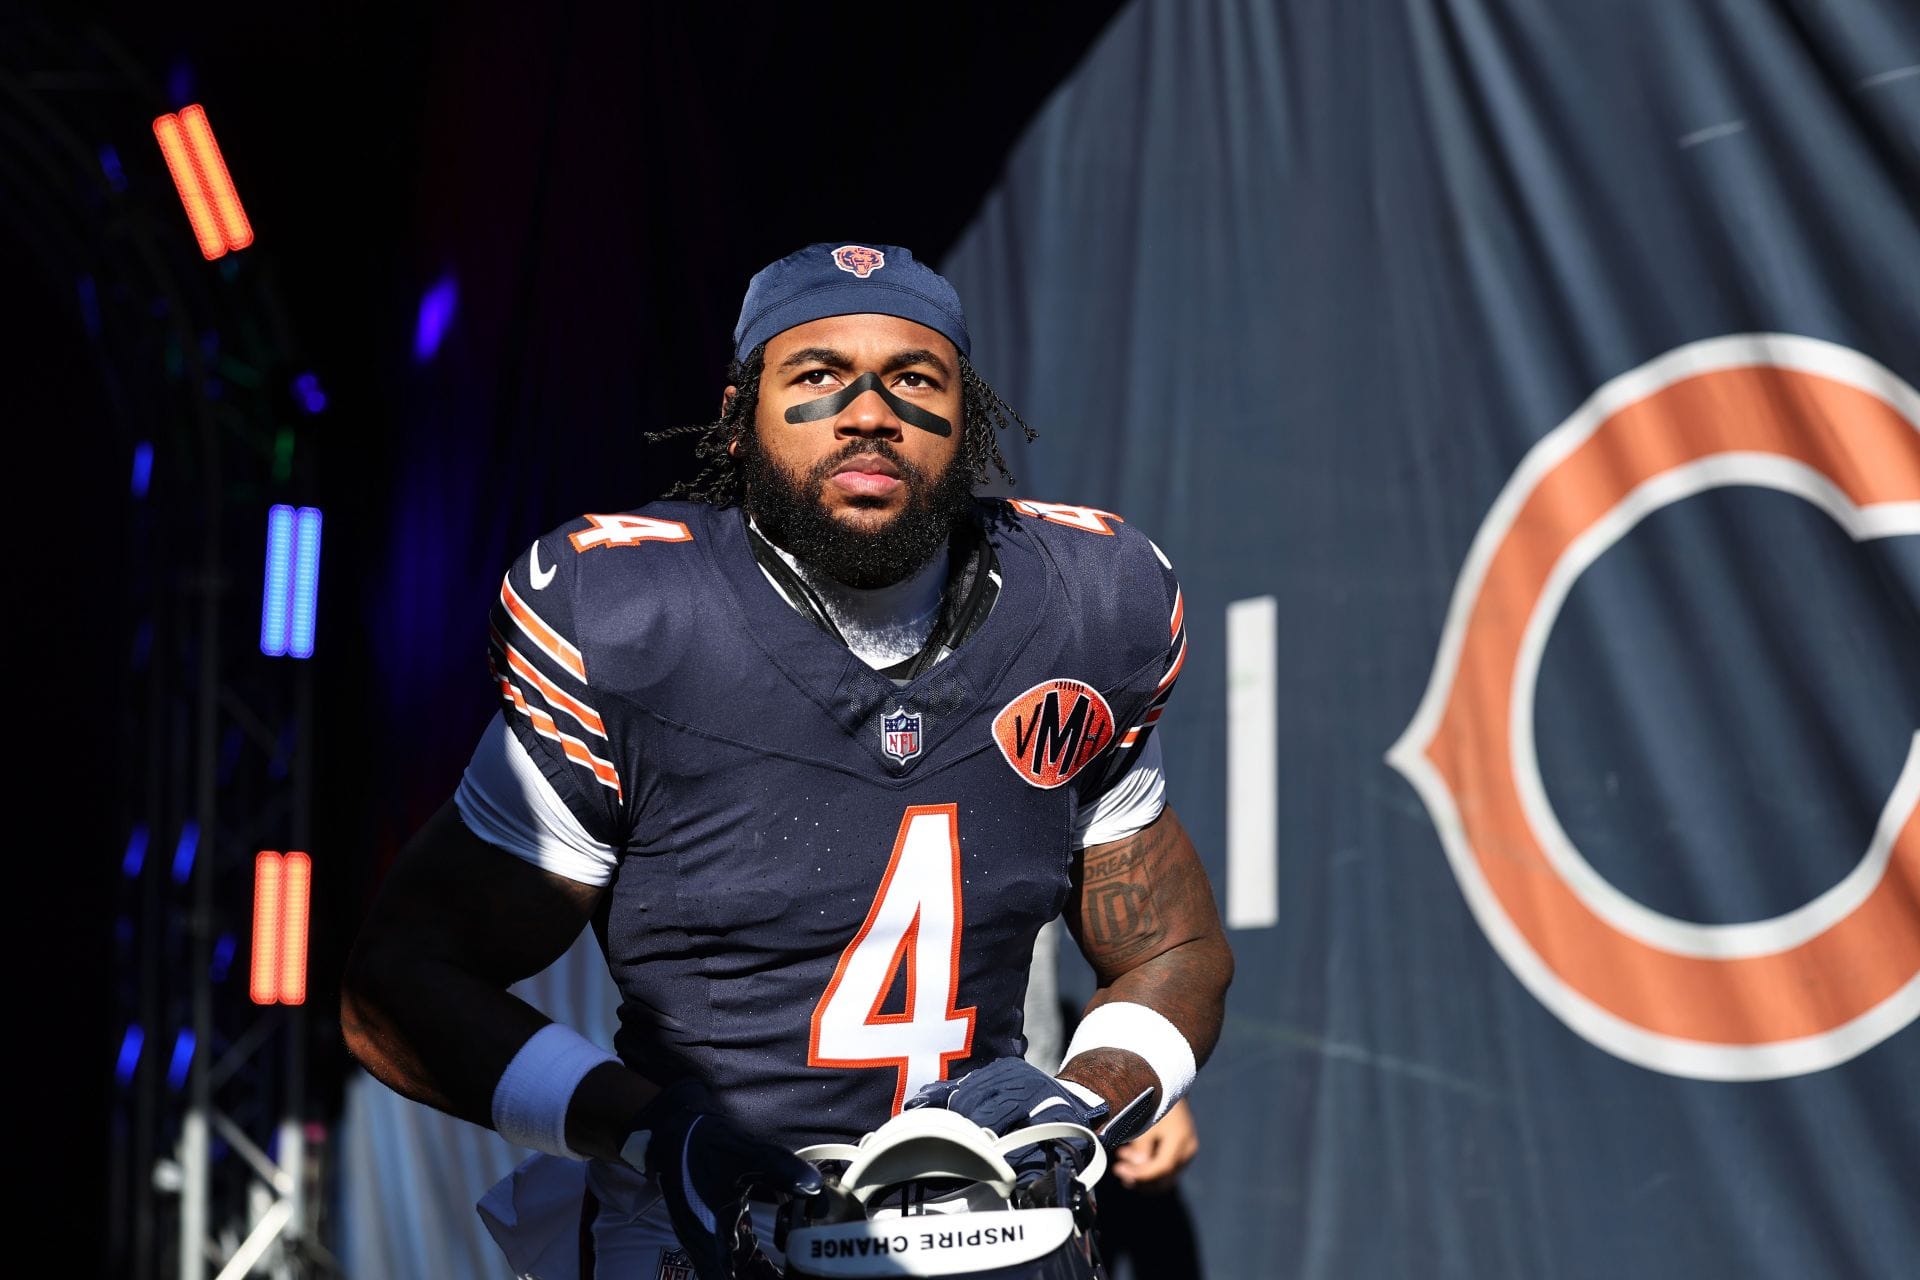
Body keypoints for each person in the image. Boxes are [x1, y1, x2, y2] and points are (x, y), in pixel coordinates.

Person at [341, 242, 1234, 1280]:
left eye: (914, 379)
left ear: (970, 418)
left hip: (983, 1222)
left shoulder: (1081, 607)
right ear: (738, 416)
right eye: (818, 374)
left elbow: (1173, 946)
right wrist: (655, 1131)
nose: (869, 413)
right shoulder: (642, 625)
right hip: (704, 1238)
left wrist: (1080, 1104)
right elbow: (400, 986)